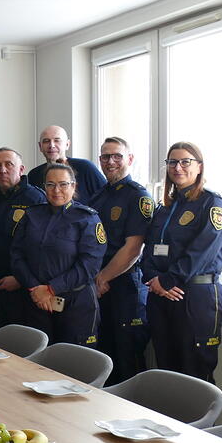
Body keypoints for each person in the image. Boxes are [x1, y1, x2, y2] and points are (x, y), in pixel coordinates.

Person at [142, 142, 222, 383]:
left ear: (199, 166)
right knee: (166, 370)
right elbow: (148, 250)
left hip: (195, 296)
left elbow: (203, 251)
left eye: (185, 162)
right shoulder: (165, 207)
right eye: (172, 162)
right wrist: (153, 279)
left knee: (195, 373)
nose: (177, 167)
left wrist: (168, 280)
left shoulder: (212, 204)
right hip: (160, 295)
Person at [11, 164, 106, 345]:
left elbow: (89, 265)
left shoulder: (87, 218)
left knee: (73, 358)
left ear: (73, 186)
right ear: (44, 187)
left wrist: (51, 289)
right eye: (50, 185)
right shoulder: (31, 214)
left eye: (63, 184)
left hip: (75, 303)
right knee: (36, 355)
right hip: (36, 301)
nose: (56, 190)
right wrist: (35, 288)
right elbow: (17, 255)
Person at [88, 137, 153, 385]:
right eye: (105, 156)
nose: (111, 161)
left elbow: (133, 248)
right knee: (104, 358)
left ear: (130, 159)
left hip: (125, 288)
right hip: (99, 287)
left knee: (128, 361)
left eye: (117, 156)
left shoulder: (138, 196)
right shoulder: (99, 196)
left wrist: (102, 278)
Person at [0, 147, 46, 335]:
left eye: (9, 165)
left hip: (22, 291)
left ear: (21, 169)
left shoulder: (36, 199)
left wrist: (21, 279)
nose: (2, 170)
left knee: (21, 345)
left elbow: (42, 248)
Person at [27, 125, 106, 205]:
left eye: (57, 141)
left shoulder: (85, 168)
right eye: (46, 141)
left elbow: (106, 196)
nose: (51, 145)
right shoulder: (34, 175)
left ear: (67, 144)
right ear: (40, 146)